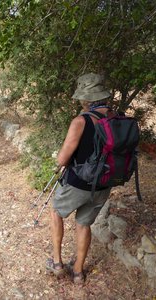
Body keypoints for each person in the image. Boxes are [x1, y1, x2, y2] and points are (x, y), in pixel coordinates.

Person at [47, 73, 112, 284]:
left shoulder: (81, 121)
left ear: (85, 98)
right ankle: (78, 272)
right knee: (84, 224)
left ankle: (57, 263)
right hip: (104, 184)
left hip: (79, 183)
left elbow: (63, 158)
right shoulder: (116, 118)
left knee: (56, 212)